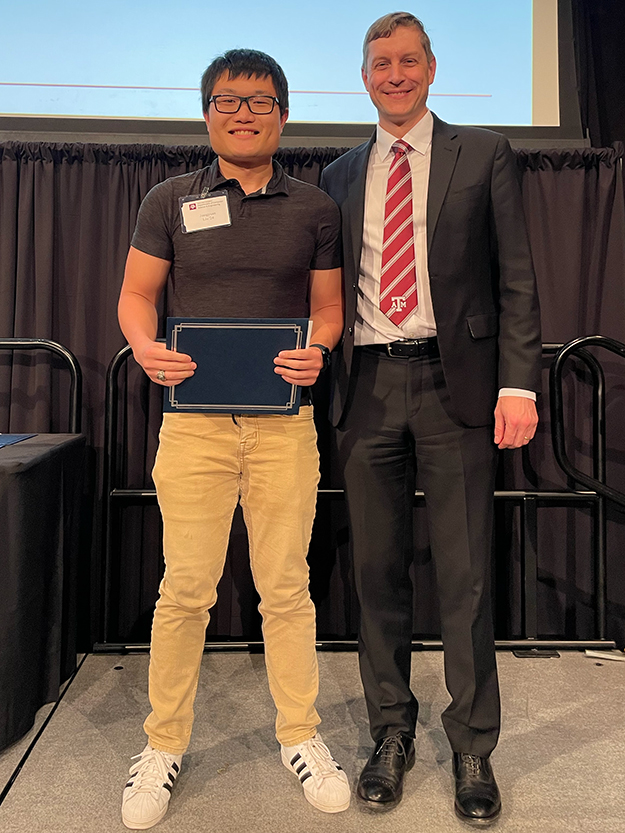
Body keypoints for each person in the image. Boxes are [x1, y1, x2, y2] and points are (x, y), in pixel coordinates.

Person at [117, 48, 348, 829]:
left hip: (284, 426)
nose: (241, 112)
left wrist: (318, 347)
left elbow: (327, 310)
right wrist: (145, 347)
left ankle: (302, 734)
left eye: (258, 101)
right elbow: (137, 295)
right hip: (192, 425)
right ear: (206, 112)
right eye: (227, 100)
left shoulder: (315, 207)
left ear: (282, 113)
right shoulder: (168, 198)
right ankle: (160, 744)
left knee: (285, 588)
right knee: (185, 589)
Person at [320, 12, 541, 826]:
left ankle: (472, 743)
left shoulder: (482, 153)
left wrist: (518, 385)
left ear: (431, 69)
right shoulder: (339, 173)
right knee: (374, 572)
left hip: (460, 392)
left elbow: (515, 277)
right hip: (367, 388)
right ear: (364, 74)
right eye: (381, 62)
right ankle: (389, 731)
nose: (395, 73)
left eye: (408, 60)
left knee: (465, 576)